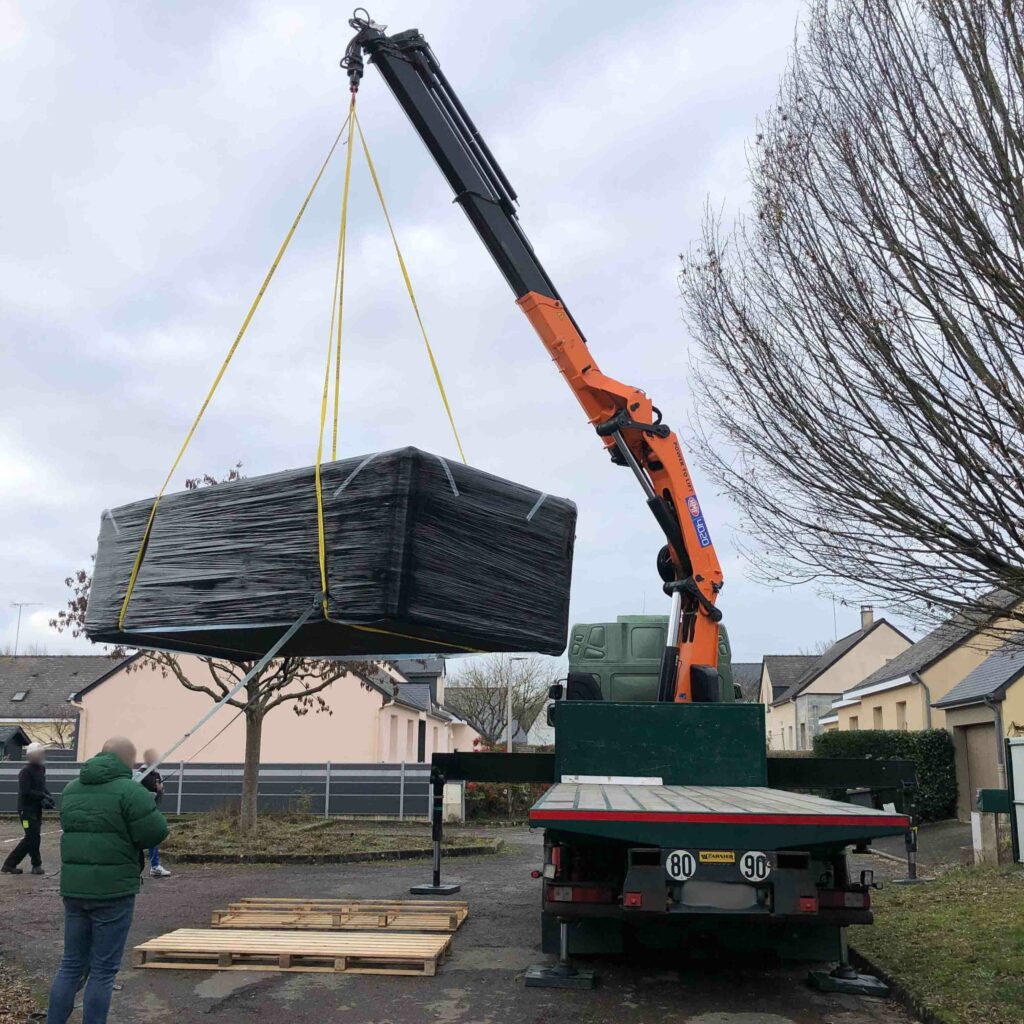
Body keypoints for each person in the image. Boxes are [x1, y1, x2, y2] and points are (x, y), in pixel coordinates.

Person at [45, 736, 167, 1024]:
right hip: (114, 892)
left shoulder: (72, 789)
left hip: (74, 890)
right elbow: (155, 833)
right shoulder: (130, 791)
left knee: (71, 964)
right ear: (127, 760)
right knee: (103, 970)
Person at [2, 741, 54, 876]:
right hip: (25, 811)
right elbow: (26, 792)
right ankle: (33, 864)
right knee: (32, 836)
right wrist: (42, 795)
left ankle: (13, 864)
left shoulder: (41, 769)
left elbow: (41, 787)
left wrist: (48, 796)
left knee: (33, 837)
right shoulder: (25, 772)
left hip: (36, 810)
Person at [138, 748, 170, 878]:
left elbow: (160, 793)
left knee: (153, 837)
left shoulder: (157, 774)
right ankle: (140, 866)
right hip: (139, 812)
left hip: (152, 811)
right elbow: (134, 791)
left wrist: (160, 790)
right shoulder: (140, 774)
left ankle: (155, 866)